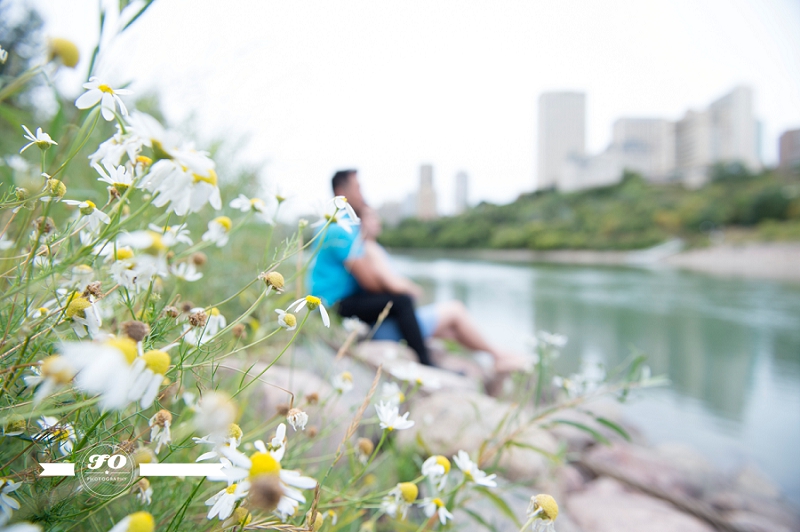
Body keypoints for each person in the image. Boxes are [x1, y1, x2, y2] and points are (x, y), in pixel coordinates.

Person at [308, 169, 527, 372]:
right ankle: (425, 361)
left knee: (412, 309)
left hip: (340, 302)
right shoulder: (339, 228)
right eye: (357, 188)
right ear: (341, 192)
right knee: (402, 301)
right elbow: (370, 283)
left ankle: (490, 356)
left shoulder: (344, 227)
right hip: (334, 305)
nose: (362, 194)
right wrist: (401, 287)